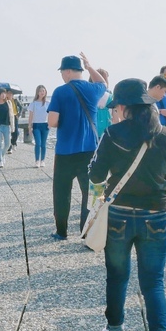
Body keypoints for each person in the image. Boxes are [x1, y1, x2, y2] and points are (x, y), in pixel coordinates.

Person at [90, 78, 166, 331]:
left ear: (122, 107)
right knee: (153, 282)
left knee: (117, 276)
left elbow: (95, 175)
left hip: (118, 214)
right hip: (156, 215)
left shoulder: (113, 133)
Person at [47, 52, 108, 239]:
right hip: (89, 150)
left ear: (67, 72)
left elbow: (52, 122)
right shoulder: (93, 89)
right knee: (89, 192)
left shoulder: (60, 91)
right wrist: (90, 66)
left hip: (66, 151)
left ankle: (61, 231)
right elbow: (104, 84)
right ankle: (86, 230)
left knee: (62, 192)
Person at [27, 84, 50, 168]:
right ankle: (37, 161)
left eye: (43, 91)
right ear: (37, 92)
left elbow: (50, 114)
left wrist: (50, 124)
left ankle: (42, 160)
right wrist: (30, 126)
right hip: (36, 125)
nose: (42, 92)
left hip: (45, 125)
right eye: (40, 91)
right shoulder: (33, 104)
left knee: (43, 144)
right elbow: (30, 116)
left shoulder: (48, 103)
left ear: (45, 92)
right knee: (38, 143)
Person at [96, 68, 113, 137]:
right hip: (106, 129)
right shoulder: (109, 95)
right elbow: (115, 117)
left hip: (91, 130)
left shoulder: (88, 94)